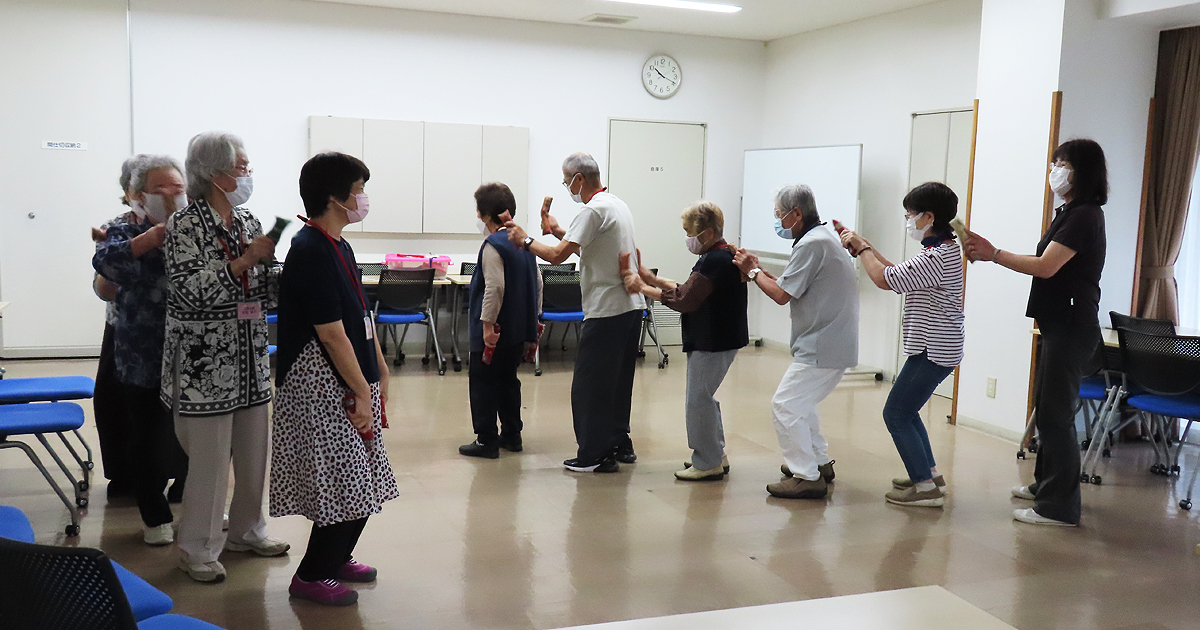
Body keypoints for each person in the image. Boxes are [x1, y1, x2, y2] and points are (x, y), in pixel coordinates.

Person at [270, 152, 398, 606]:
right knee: (343, 481)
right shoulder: (308, 250)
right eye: (359, 189)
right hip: (320, 387)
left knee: (364, 479)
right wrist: (362, 389)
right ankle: (310, 574)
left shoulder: (338, 245)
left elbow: (359, 315)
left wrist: (378, 367)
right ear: (335, 198)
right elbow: (329, 332)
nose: (363, 198)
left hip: (352, 380)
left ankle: (337, 557)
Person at [163, 131, 289, 583]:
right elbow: (188, 292)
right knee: (211, 463)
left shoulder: (248, 222)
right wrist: (241, 263)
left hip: (251, 359)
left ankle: (247, 531)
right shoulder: (184, 226)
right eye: (241, 167)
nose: (247, 174)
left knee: (255, 455)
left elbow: (262, 289)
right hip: (204, 367)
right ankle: (196, 547)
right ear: (215, 175)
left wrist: (281, 271)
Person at [965, 139, 1107, 527]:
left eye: (1062, 163)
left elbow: (1046, 267)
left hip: (1072, 326)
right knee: (1046, 409)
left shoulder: (1084, 215)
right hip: (1058, 324)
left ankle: (1059, 507)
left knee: (1057, 415)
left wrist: (994, 254)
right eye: (1054, 162)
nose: (1054, 169)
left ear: (1082, 171)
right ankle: (1047, 485)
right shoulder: (1070, 212)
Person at [504, 152, 645, 473]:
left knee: (591, 385)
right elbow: (593, 248)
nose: (567, 187)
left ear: (579, 179)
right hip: (631, 308)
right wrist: (557, 231)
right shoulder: (616, 204)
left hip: (607, 310)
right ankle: (619, 441)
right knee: (618, 382)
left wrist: (524, 238)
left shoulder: (592, 210)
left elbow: (555, 257)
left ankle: (594, 454)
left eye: (567, 181)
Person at [838, 182, 964, 508]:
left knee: (895, 413)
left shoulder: (938, 254)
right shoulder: (942, 249)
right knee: (908, 411)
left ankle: (925, 489)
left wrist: (864, 250)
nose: (908, 220)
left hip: (934, 351)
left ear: (929, 216)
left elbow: (885, 279)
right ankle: (928, 474)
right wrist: (866, 247)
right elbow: (896, 271)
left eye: (911, 215)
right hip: (934, 347)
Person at [733, 185, 858, 500]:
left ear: (796, 214)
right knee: (801, 404)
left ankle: (806, 475)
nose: (777, 221)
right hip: (830, 340)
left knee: (785, 405)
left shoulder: (811, 245)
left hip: (823, 343)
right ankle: (817, 463)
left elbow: (780, 295)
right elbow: (791, 285)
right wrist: (758, 270)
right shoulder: (821, 238)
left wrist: (752, 272)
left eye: (779, 215)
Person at [94, 155, 192, 544]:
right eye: (160, 188)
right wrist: (153, 237)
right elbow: (109, 268)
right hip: (142, 349)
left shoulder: (195, 225)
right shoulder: (119, 230)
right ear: (135, 195)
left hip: (193, 348)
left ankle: (196, 496)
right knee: (147, 431)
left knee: (195, 431)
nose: (171, 195)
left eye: (178, 187)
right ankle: (154, 516)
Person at [619, 201, 748, 481]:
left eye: (690, 232)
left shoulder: (715, 260)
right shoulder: (718, 256)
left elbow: (686, 299)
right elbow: (691, 287)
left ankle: (707, 461)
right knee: (705, 398)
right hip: (719, 337)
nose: (688, 239)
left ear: (709, 233)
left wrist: (642, 288)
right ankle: (715, 454)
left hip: (714, 340)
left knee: (698, 401)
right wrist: (652, 279)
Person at [458, 182, 542, 459]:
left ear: (485, 214)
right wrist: (535, 318)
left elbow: (495, 287)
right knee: (508, 380)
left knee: (483, 382)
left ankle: (486, 440)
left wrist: (486, 324)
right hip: (518, 328)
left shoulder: (493, 245)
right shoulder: (525, 242)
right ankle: (512, 435)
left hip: (495, 329)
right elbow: (539, 283)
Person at [91, 156, 143, 500]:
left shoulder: (187, 226)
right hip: (126, 330)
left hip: (177, 329)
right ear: (128, 192)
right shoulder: (117, 227)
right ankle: (125, 476)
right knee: (116, 402)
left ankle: (180, 478)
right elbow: (101, 287)